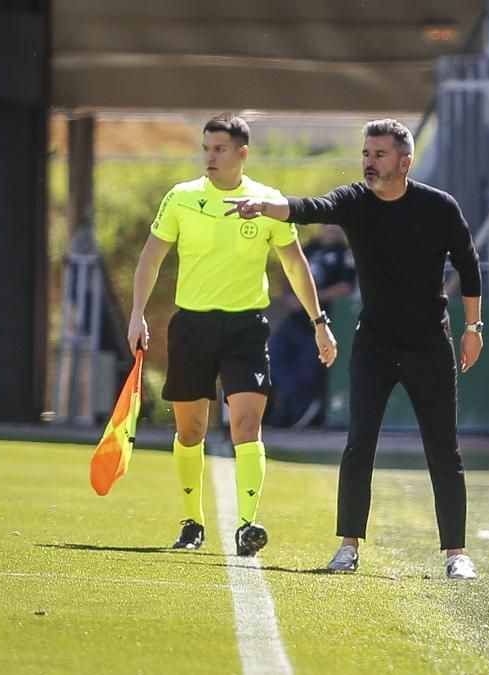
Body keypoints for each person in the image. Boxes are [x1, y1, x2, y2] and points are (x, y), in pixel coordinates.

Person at [223, 118, 484, 580]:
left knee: (443, 449)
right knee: (359, 442)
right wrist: (266, 205)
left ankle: (455, 553)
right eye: (366, 153)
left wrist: (473, 326)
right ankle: (348, 546)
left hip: (429, 343)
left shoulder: (438, 206)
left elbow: (467, 260)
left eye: (379, 155)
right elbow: (310, 207)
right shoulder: (355, 201)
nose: (369, 161)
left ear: (404, 162)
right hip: (374, 344)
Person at [126, 113, 337, 556]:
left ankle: (247, 526)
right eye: (206, 148)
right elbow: (151, 258)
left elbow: (295, 263)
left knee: (247, 424)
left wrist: (320, 322)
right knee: (191, 431)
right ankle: (192, 523)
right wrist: (136, 315)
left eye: (219, 149)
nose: (210, 157)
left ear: (243, 152)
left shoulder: (268, 202)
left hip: (245, 328)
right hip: (192, 327)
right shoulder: (181, 199)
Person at [265, 225, 356, 428]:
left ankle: (305, 412)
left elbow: (345, 287)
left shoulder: (346, 254)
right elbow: (289, 268)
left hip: (323, 324)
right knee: (272, 354)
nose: (330, 229)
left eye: (334, 224)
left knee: (310, 368)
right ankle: (287, 408)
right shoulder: (309, 248)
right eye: (326, 224)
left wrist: (310, 299)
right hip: (295, 320)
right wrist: (289, 296)